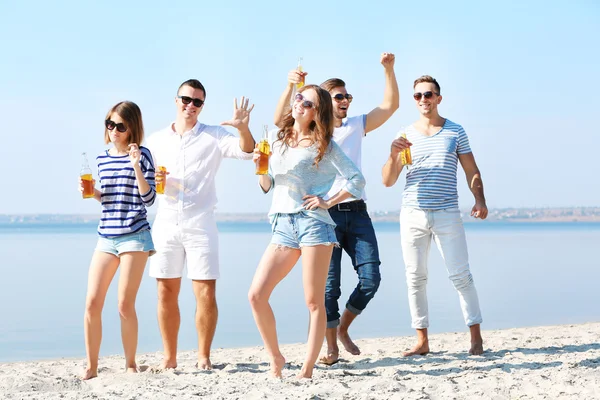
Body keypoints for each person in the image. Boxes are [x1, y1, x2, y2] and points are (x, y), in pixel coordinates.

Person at [273, 53, 399, 364]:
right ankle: (330, 347)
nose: (345, 101)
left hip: (355, 210)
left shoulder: (357, 125)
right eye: (339, 96)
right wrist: (292, 88)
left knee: (371, 279)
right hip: (321, 217)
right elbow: (280, 121)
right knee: (327, 290)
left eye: (348, 96)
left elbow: (390, 106)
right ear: (326, 103)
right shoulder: (311, 133)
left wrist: (388, 70)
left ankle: (343, 328)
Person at [248, 84, 366, 379]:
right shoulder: (279, 142)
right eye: (299, 98)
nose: (300, 104)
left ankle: (307, 369)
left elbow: (356, 179)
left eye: (308, 103)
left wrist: (328, 200)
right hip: (282, 225)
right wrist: (260, 169)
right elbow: (267, 187)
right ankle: (276, 358)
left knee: (314, 302)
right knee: (256, 295)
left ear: (318, 113)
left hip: (315, 224)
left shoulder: (324, 146)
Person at [146, 79, 255, 370]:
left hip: (201, 222)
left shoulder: (215, 136)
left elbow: (247, 152)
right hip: (166, 221)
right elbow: (143, 180)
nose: (190, 105)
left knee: (205, 291)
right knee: (165, 291)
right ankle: (169, 358)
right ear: (176, 100)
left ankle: (203, 357)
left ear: (202, 106)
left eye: (197, 102)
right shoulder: (156, 140)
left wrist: (242, 128)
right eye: (186, 99)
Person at [382, 75, 487, 356]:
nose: (423, 100)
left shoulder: (455, 131)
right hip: (413, 213)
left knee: (461, 275)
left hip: (447, 213)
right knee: (415, 277)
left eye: (428, 94)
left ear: (439, 98)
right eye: (418, 96)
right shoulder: (405, 135)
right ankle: (422, 340)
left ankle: (475, 338)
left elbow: (471, 170)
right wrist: (393, 155)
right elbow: (388, 181)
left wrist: (479, 199)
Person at [79, 101, 156, 380]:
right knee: (92, 303)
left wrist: (136, 167)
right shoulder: (101, 158)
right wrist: (93, 193)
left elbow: (148, 199)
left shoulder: (144, 155)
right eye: (109, 124)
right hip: (106, 236)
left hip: (135, 235)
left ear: (132, 128)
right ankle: (91, 365)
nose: (113, 130)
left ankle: (131, 363)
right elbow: (109, 198)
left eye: (120, 126)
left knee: (124, 304)